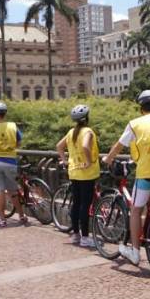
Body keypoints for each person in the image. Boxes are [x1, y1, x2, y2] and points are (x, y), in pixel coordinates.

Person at [103, 89, 150, 266]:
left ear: (141, 108)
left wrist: (108, 158)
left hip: (146, 173)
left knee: (136, 210)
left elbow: (119, 145)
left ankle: (135, 252)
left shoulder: (134, 124)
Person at [56, 104, 99, 247]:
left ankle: (75, 235)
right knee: (84, 206)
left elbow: (59, 146)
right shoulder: (88, 131)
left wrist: (64, 161)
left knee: (76, 204)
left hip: (73, 171)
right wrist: (87, 161)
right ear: (87, 117)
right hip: (87, 173)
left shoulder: (71, 132)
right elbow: (86, 146)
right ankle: (85, 237)